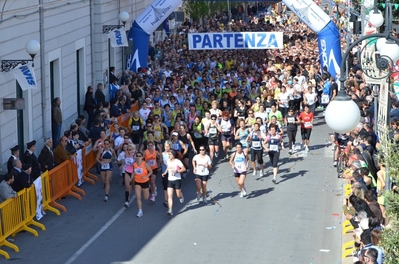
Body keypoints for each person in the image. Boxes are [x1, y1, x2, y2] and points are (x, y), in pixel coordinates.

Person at [162, 150, 186, 216]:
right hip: (170, 180)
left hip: (177, 179)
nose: (169, 156)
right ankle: (170, 210)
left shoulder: (178, 161)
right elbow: (168, 167)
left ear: (173, 155)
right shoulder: (168, 161)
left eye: (170, 154)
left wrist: (176, 171)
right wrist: (165, 172)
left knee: (178, 194)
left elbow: (184, 169)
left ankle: (181, 196)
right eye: (168, 155)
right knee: (169, 196)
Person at [133, 151, 153, 217]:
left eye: (139, 156)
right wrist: (131, 177)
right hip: (137, 182)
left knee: (146, 198)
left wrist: (146, 176)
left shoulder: (145, 164)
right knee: (138, 197)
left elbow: (151, 171)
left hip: (145, 182)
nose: (138, 157)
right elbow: (134, 172)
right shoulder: (134, 164)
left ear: (142, 157)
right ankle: (140, 211)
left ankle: (149, 188)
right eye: (137, 156)